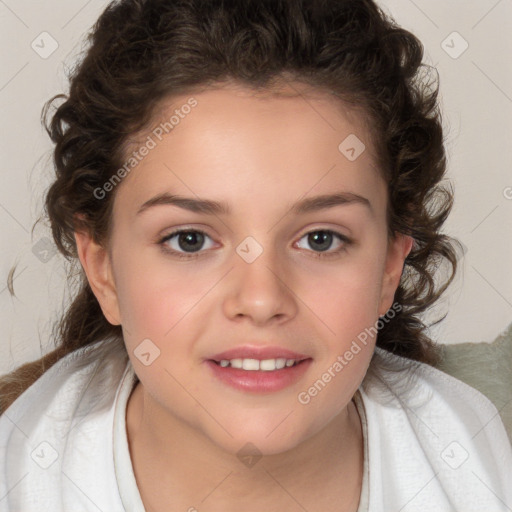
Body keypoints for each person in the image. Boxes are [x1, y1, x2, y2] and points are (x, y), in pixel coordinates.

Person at [0, 0, 510, 510]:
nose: (262, 300)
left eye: (320, 239)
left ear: (388, 268)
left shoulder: (485, 461)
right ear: (103, 270)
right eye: (190, 239)